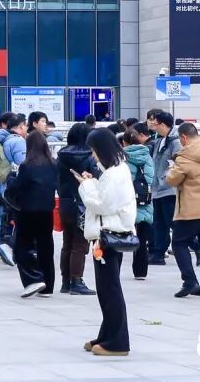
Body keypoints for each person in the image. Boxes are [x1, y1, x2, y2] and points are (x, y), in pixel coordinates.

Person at [72, 128, 136, 357]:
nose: (93, 155)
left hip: (109, 235)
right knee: (106, 289)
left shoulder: (115, 173)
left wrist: (86, 185)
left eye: (94, 150)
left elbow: (103, 205)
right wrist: (92, 182)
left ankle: (118, 342)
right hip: (107, 233)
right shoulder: (114, 171)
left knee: (110, 289)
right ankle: (107, 335)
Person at [166, 123, 200, 297]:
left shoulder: (184, 157)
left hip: (191, 210)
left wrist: (171, 168)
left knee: (179, 243)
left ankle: (189, 281)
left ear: (184, 137)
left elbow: (172, 180)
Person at [6, 130, 58, 297]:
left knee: (21, 247)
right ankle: (48, 286)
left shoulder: (27, 166)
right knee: (45, 247)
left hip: (28, 211)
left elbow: (16, 187)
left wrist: (10, 178)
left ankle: (33, 279)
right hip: (46, 211)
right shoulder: (53, 164)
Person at [56, 122, 98, 295]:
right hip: (82, 203)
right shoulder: (89, 156)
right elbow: (96, 178)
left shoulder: (61, 155)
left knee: (67, 243)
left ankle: (66, 281)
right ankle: (77, 280)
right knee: (80, 244)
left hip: (65, 202)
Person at [0, 112, 27, 266]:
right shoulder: (17, 141)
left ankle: (4, 245)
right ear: (21, 126)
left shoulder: (2, 139)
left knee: (6, 217)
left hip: (4, 184)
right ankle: (8, 246)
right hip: (15, 185)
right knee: (18, 218)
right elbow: (23, 165)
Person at [121, 129, 154, 279]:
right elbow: (151, 178)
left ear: (124, 142)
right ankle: (141, 272)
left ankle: (116, 269)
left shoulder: (122, 158)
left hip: (128, 201)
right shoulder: (148, 156)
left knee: (119, 238)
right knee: (142, 238)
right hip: (145, 201)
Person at [148, 112, 181, 266]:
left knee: (172, 222)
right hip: (158, 189)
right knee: (159, 223)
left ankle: (197, 246)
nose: (153, 126)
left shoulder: (175, 141)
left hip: (169, 188)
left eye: (155, 124)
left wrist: (168, 176)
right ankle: (158, 254)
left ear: (162, 124)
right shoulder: (160, 140)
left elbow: (178, 162)